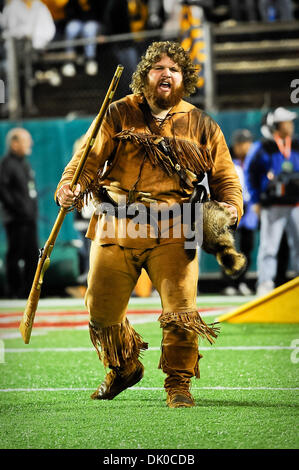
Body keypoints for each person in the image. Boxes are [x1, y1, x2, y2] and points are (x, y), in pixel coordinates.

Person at [55, 41, 243, 408]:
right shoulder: (117, 113)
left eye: (174, 69)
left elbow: (226, 179)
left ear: (184, 77)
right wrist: (69, 186)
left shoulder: (203, 124)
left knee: (180, 310)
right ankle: (123, 366)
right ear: (146, 74)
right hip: (117, 224)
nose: (166, 73)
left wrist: (229, 209)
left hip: (176, 227)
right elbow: (86, 161)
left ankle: (178, 384)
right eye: (159, 67)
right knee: (101, 311)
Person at [245, 107, 299, 296]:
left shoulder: (296, 145)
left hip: (295, 204)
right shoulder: (263, 147)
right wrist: (255, 200)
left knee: (298, 244)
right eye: (287, 122)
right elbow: (250, 174)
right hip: (272, 204)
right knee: (269, 246)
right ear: (276, 125)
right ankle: (265, 283)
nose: (291, 125)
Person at [0, 128, 39, 298]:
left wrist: (30, 211)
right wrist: (19, 209)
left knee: (32, 255)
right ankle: (14, 292)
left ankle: (29, 292)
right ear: (14, 143)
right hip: (16, 219)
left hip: (29, 219)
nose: (30, 143)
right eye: (26, 140)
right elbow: (3, 190)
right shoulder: (7, 164)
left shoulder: (24, 163)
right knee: (14, 255)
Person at [222, 128, 258, 295]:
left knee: (247, 247)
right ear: (236, 145)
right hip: (231, 207)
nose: (246, 146)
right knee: (228, 246)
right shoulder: (227, 160)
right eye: (242, 143)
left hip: (249, 207)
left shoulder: (255, 160)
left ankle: (242, 282)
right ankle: (229, 283)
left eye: (248, 142)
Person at [61, 0, 104, 77]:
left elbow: (103, 14)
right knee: (71, 28)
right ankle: (69, 60)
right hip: (80, 22)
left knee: (89, 28)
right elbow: (69, 13)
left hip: (95, 24)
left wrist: (104, 33)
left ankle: (90, 59)